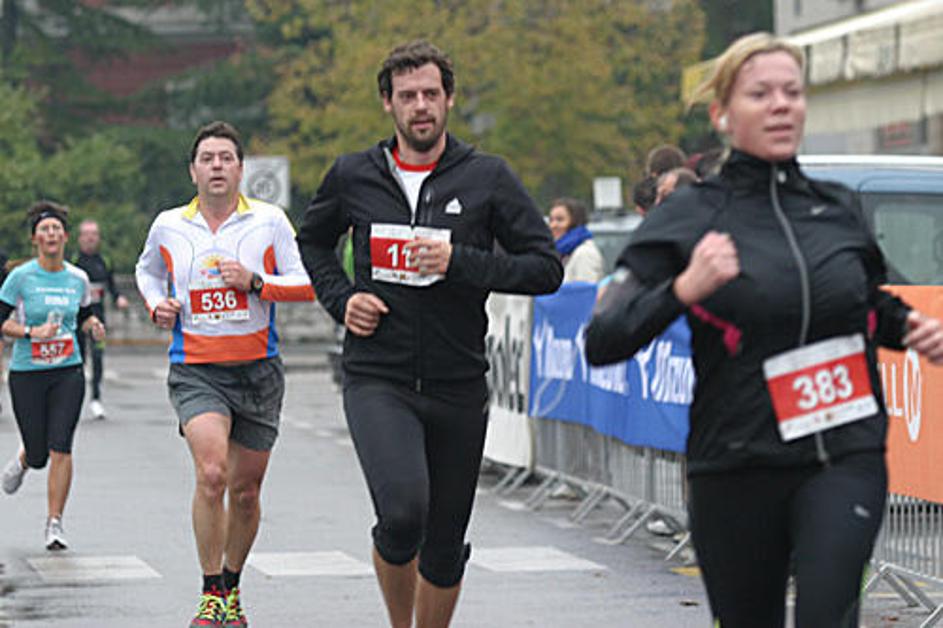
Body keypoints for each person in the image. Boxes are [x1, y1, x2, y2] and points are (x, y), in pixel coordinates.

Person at [585, 32, 943, 627]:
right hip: (736, 464)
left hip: (843, 456)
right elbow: (604, 339)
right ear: (722, 114)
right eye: (761, 94)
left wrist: (909, 326)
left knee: (827, 611)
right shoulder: (690, 215)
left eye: (792, 92)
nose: (781, 105)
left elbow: (862, 305)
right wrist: (684, 288)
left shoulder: (835, 209)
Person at [296, 40, 562, 628]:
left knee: (443, 545)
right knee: (402, 515)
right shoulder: (353, 174)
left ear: (449, 99)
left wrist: (458, 261)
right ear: (387, 103)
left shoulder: (488, 177)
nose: (421, 106)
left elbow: (545, 268)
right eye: (408, 95)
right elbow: (311, 241)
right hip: (378, 376)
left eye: (431, 94)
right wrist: (342, 300)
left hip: (458, 381)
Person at [135, 120, 315, 627]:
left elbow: (306, 283)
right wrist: (156, 304)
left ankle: (232, 587)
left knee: (246, 492)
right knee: (212, 474)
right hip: (196, 368)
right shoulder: (169, 224)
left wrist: (256, 282)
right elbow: (147, 271)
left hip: (258, 371)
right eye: (207, 158)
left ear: (240, 169)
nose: (216, 166)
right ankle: (211, 591)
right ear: (192, 171)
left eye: (226, 158)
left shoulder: (269, 221)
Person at [0, 201, 106, 551]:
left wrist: (93, 325)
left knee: (62, 445)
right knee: (39, 453)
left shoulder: (77, 278)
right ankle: (24, 459)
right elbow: (1, 321)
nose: (51, 235)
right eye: (44, 230)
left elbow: (85, 314)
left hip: (67, 372)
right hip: (27, 373)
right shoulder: (20, 278)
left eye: (56, 229)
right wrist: (31, 333)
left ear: (65, 237)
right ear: (35, 239)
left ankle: (55, 522)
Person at [73, 218, 130, 419]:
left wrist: (119, 298)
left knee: (98, 357)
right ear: (80, 238)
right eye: (86, 234)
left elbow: (112, 286)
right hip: (78, 320)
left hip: (98, 318)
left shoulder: (105, 261)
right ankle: (74, 398)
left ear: (98, 238)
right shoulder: (73, 262)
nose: (90, 238)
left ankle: (96, 399)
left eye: (94, 234)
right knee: (78, 359)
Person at [548, 197, 605, 283]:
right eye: (551, 220)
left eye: (560, 219)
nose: (553, 225)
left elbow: (585, 289)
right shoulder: (563, 253)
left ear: (575, 222)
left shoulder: (585, 253)